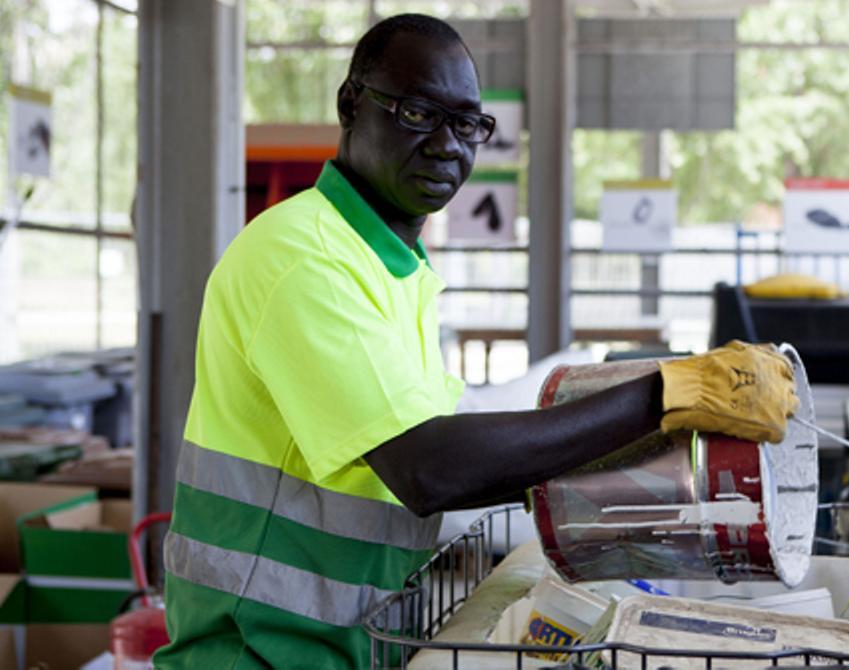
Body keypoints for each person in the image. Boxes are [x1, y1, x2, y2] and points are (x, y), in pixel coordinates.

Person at [154, 14, 797, 668]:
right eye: (416, 112)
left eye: (467, 125)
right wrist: (666, 395)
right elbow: (428, 468)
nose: (446, 145)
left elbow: (446, 436)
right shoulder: (302, 258)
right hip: (253, 654)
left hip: (337, 647)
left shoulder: (395, 268)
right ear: (352, 104)